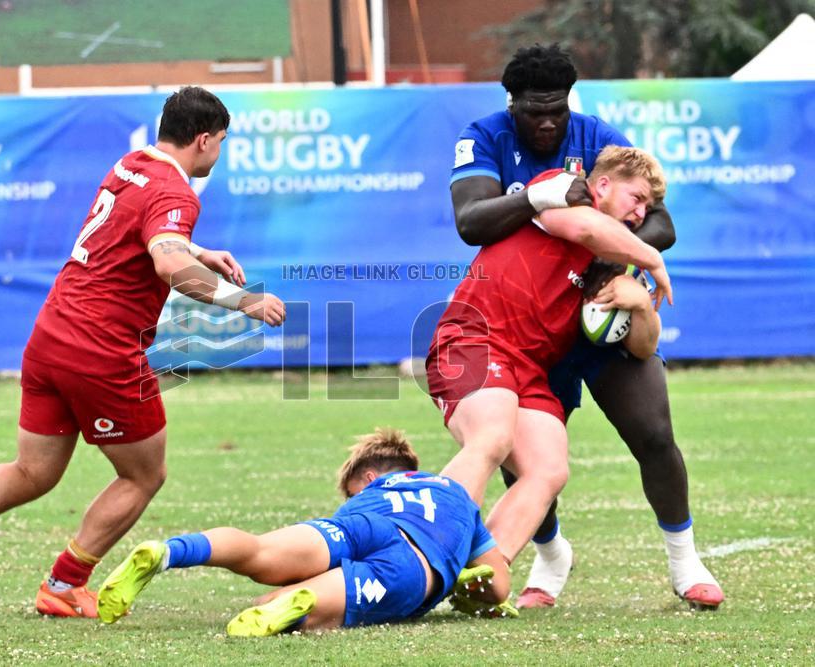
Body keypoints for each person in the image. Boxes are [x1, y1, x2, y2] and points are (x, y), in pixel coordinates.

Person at [0, 86, 286, 617]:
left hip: (50, 336)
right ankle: (64, 583)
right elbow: (167, 263)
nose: (220, 151)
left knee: (33, 471)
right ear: (204, 140)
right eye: (222, 141)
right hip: (102, 351)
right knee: (144, 475)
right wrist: (245, 301)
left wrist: (198, 250)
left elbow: (140, 232)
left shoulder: (131, 164)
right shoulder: (179, 193)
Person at [448, 43, 723, 610]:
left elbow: (659, 219)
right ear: (512, 103)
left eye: (558, 109)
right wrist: (536, 199)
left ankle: (685, 560)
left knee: (653, 431)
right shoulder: (485, 137)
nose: (548, 122)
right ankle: (549, 554)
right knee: (527, 457)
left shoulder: (597, 137)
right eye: (534, 110)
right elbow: (471, 222)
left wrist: (617, 264)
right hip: (529, 328)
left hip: (595, 312)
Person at [428, 145, 671, 601]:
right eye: (636, 198)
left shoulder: (617, 260)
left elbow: (643, 347)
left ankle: (481, 575)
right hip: (473, 339)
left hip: (528, 370)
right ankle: (423, 557)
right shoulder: (559, 189)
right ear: (602, 185)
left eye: (648, 207)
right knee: (492, 437)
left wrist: (641, 305)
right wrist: (652, 259)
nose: (641, 214)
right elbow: (586, 227)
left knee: (549, 468)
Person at [95, 428, 514, 635]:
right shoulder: (458, 499)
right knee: (300, 606)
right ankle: (303, 608)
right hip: (410, 564)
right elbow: (498, 585)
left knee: (258, 551)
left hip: (358, 528)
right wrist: (465, 589)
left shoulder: (373, 495)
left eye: (351, 491)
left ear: (370, 479)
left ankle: (169, 551)